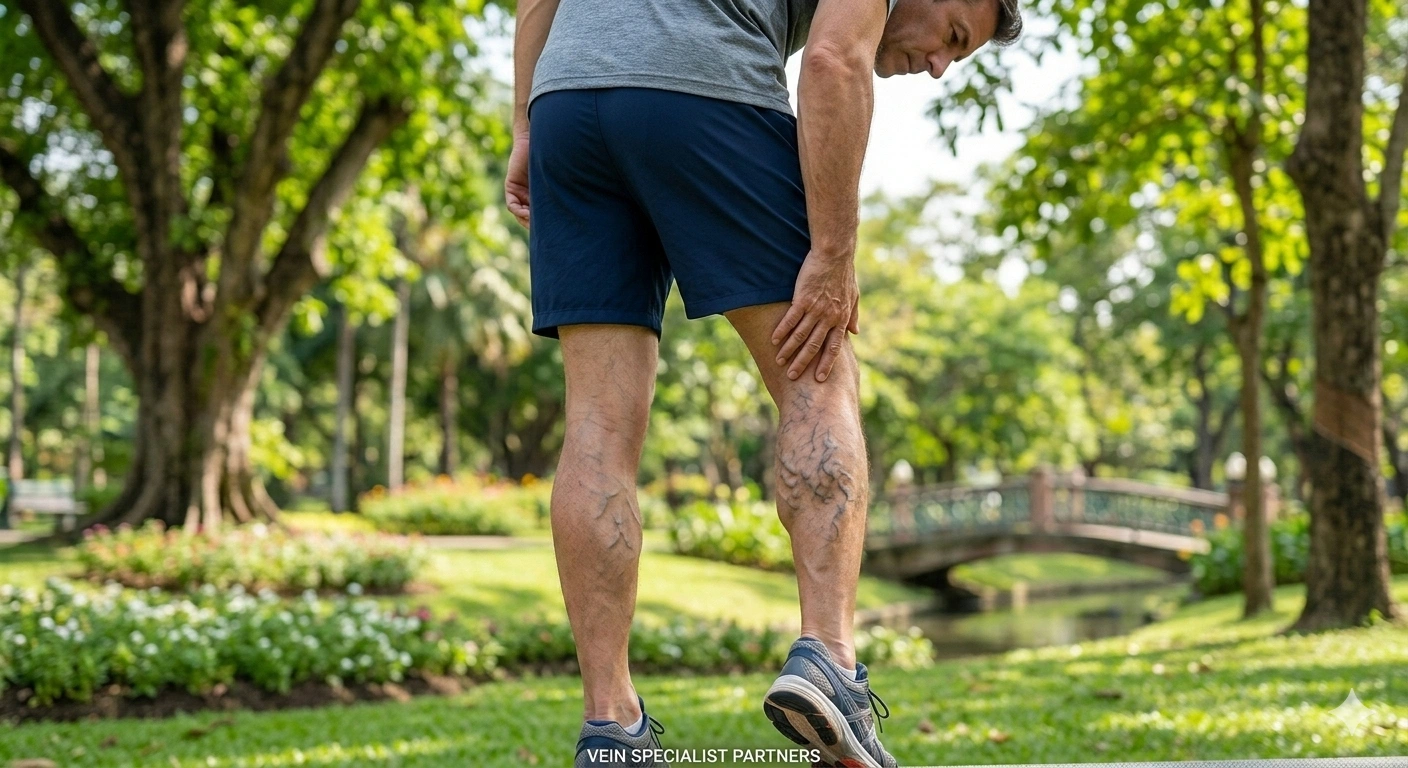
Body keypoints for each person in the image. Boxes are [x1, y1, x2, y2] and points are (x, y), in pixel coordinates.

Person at [506, 0, 1021, 765]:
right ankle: (831, 662)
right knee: (819, 370)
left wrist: (526, 124)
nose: (941, 66)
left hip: (566, 104)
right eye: (952, 36)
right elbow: (834, 60)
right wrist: (835, 254)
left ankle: (611, 727)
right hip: (702, 87)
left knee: (597, 427)